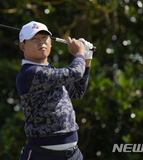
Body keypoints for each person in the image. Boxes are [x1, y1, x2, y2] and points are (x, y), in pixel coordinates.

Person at [16, 21, 93, 160]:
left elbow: (77, 92)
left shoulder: (51, 71)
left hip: (73, 155)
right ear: (23, 46)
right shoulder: (30, 73)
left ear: (51, 43)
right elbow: (75, 72)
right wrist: (79, 52)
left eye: (45, 38)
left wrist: (87, 58)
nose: (41, 42)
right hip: (42, 155)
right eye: (34, 39)